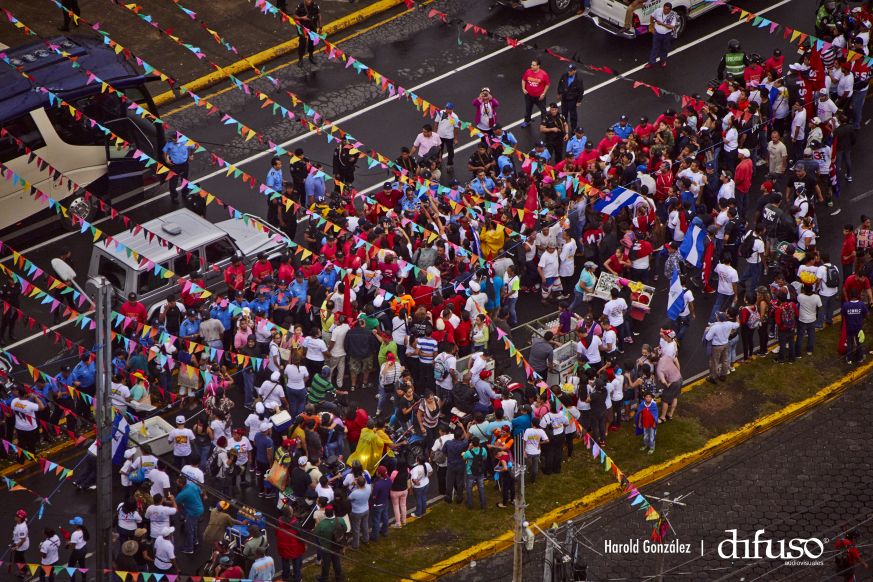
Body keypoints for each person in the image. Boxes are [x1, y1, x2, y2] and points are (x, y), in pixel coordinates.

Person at [162, 135, 194, 206]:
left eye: (175, 138)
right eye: (172, 138)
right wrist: (166, 159)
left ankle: (185, 192)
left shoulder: (185, 142)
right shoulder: (169, 144)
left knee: (185, 179)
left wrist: (191, 155)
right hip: (174, 166)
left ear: (179, 138)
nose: (174, 139)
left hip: (184, 164)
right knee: (173, 182)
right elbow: (164, 152)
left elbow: (192, 147)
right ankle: (174, 197)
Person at [645, 2, 678, 69]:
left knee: (664, 48)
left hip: (667, 35)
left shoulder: (673, 15)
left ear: (670, 10)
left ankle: (663, 61)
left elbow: (671, 27)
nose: (665, 11)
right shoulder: (658, 10)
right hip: (657, 34)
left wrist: (662, 24)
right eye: (664, 9)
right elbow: (652, 16)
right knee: (655, 48)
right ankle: (651, 62)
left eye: (667, 10)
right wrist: (651, 26)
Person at [520, 59, 550, 128]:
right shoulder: (528, 71)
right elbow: (523, 80)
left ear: (538, 66)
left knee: (543, 111)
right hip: (529, 96)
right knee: (528, 109)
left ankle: (543, 123)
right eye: (531, 64)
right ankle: (527, 121)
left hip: (539, 97)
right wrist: (523, 88)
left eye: (533, 65)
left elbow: (547, 84)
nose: (531, 66)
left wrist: (543, 94)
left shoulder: (543, 74)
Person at [463, 436, 488, 510]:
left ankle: (470, 504)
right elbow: (485, 458)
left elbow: (464, 458)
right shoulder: (483, 450)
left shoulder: (468, 452)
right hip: (480, 471)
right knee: (481, 488)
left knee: (469, 488)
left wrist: (468, 448)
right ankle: (483, 505)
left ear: (472, 444)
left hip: (470, 472)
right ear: (479, 443)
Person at [557, 64, 583, 131]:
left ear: (575, 71)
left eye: (571, 71)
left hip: (573, 100)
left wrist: (579, 101)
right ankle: (564, 126)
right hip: (564, 98)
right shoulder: (564, 75)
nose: (569, 72)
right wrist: (559, 93)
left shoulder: (579, 79)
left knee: (573, 115)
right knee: (564, 113)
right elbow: (560, 84)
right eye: (569, 70)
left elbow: (581, 91)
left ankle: (574, 128)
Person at [295, 0, 321, 66]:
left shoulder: (315, 5)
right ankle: (300, 59)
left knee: (312, 42)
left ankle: (311, 56)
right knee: (302, 43)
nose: (309, 1)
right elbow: (295, 16)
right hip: (303, 28)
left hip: (312, 27)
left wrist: (320, 26)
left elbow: (319, 15)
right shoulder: (300, 5)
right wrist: (302, 18)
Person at [65, 517, 88, 582]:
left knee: (70, 567)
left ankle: (72, 580)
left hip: (77, 551)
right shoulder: (84, 530)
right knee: (82, 564)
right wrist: (72, 542)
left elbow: (73, 546)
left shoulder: (75, 534)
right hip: (84, 548)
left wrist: (68, 544)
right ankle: (84, 579)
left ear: (76, 525)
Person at [10, 509, 29, 577]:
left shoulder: (22, 528)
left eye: (16, 516)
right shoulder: (21, 522)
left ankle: (25, 572)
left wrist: (16, 547)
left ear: (20, 518)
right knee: (20, 558)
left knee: (18, 560)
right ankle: (24, 571)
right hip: (18, 543)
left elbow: (22, 540)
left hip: (21, 546)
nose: (15, 517)